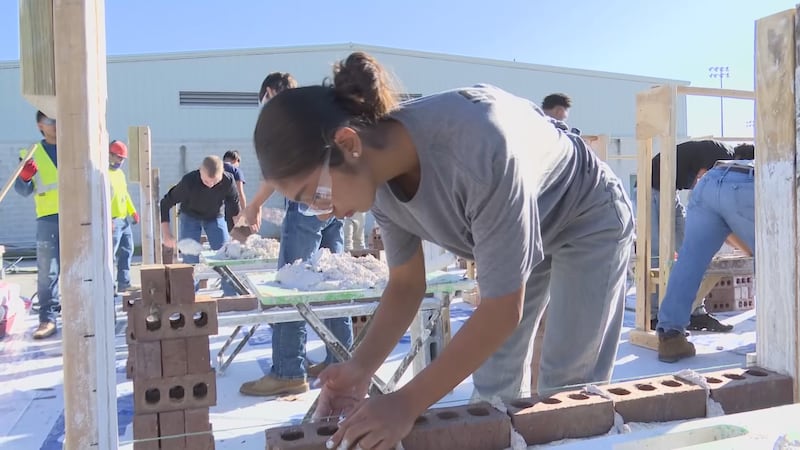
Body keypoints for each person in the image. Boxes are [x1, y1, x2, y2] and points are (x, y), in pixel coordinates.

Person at [252, 52, 634, 448]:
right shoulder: (377, 179)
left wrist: (406, 403)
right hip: (530, 220)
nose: (320, 212)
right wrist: (360, 368)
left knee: (567, 392)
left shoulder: (477, 148)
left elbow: (502, 309)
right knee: (494, 383)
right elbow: (406, 285)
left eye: (314, 194)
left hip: (586, 216)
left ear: (348, 143)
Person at [238, 72, 354, 398]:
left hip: (305, 206)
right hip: (334, 203)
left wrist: (254, 206)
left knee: (290, 286)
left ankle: (288, 371)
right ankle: (342, 360)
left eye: (264, 100)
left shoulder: (285, 116)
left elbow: (278, 172)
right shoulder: (313, 111)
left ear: (270, 91)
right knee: (335, 281)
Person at [656, 158, 755, 363]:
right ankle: (783, 336)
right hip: (748, 183)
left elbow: (725, 225)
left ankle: (670, 337)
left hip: (709, 182)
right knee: (782, 260)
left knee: (689, 260)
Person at [643, 140, 736, 333]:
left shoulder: (720, 155)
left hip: (670, 191)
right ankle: (653, 315)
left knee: (691, 250)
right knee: (656, 255)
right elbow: (704, 186)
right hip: (650, 190)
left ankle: (695, 312)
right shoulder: (723, 158)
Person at [159, 156, 239, 296]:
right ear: (200, 171)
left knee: (225, 254)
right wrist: (166, 234)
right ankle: (190, 295)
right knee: (190, 258)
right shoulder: (189, 181)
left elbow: (235, 210)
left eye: (215, 181)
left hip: (215, 216)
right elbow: (165, 204)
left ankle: (230, 295)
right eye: (207, 181)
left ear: (222, 174)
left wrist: (239, 235)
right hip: (190, 216)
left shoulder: (228, 180)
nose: (211, 185)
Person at [15, 111, 61, 339]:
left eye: (58, 119)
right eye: (50, 121)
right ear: (40, 125)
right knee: (47, 272)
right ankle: (47, 319)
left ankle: (84, 314)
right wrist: (24, 177)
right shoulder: (31, 154)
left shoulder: (77, 147)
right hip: (48, 218)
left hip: (78, 216)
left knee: (83, 269)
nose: (56, 124)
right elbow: (22, 190)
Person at [108, 140, 140, 292]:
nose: (120, 161)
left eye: (123, 159)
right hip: (112, 220)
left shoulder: (120, 174)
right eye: (118, 157)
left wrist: (133, 211)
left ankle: (124, 283)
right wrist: (107, 219)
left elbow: (124, 195)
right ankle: (109, 286)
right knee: (110, 255)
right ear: (109, 155)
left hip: (123, 220)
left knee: (127, 250)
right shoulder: (103, 174)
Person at [222, 149, 247, 232]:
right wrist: (244, 211)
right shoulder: (236, 171)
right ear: (236, 160)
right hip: (232, 207)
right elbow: (240, 192)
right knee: (237, 233)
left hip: (216, 206)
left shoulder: (216, 169)